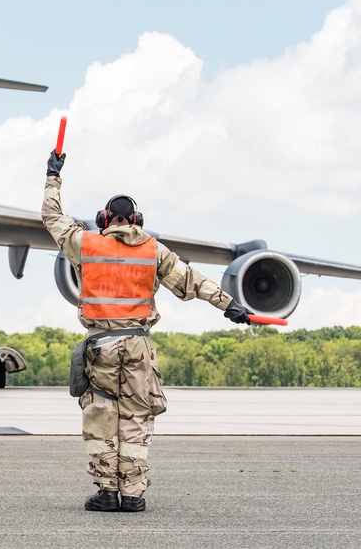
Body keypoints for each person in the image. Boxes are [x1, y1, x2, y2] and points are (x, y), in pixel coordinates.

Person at [42, 149, 252, 513]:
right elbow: (192, 280)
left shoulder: (85, 244)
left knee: (101, 414)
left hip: (101, 347)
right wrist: (229, 305)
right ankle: (134, 494)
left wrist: (53, 175)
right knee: (137, 416)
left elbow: (51, 215)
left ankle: (107, 492)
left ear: (102, 219)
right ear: (137, 219)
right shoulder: (153, 250)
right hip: (139, 346)